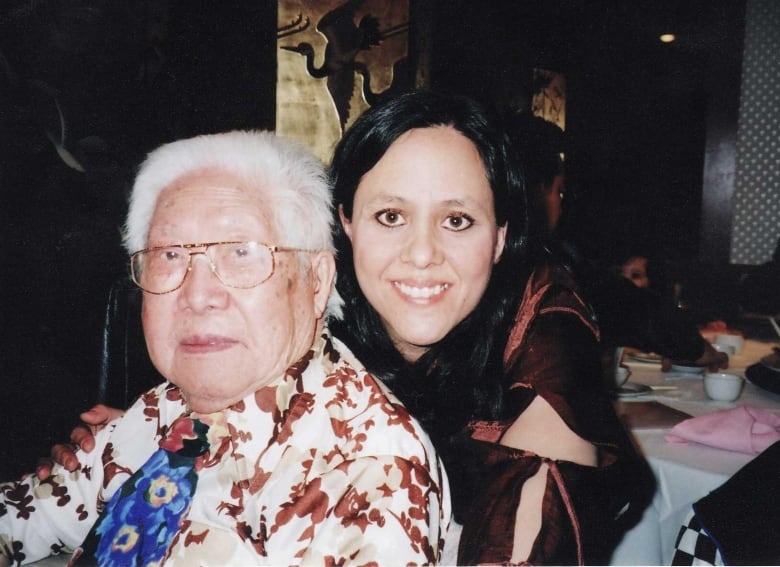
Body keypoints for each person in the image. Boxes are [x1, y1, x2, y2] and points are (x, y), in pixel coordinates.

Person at [37, 91, 647, 565]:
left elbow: (532, 517)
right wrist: (146, 450)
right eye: (390, 215)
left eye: (458, 221)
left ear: (501, 238)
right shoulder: (305, 293)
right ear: (345, 222)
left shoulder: (543, 322)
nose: (422, 254)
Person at [0, 130, 449, 565]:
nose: (197, 295)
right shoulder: (164, 409)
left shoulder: (367, 473)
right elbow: (22, 519)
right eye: (169, 255)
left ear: (317, 281)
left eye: (241, 253)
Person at [506, 111, 728, 371]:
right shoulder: (545, 263)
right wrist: (693, 346)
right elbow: (624, 305)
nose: (561, 204)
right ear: (538, 191)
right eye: (559, 191)